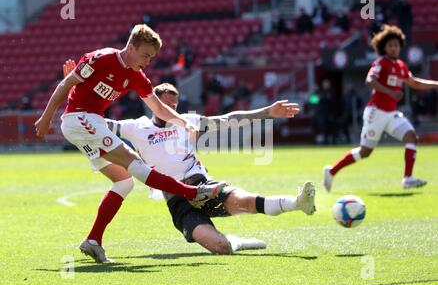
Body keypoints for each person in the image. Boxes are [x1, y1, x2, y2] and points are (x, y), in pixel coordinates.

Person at [34, 24, 225, 263]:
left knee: (124, 182)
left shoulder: (136, 75)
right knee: (134, 162)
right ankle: (192, 192)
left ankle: (93, 240)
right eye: (145, 55)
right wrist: (46, 117)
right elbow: (66, 84)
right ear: (131, 47)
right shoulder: (101, 58)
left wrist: (182, 122)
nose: (147, 62)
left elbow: (157, 107)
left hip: (91, 123)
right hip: (80, 118)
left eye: (151, 58)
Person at [105, 82, 316, 255]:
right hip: (177, 199)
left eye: (174, 105)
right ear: (154, 104)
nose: (170, 110)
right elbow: (99, 124)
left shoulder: (188, 121)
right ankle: (235, 242)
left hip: (202, 184)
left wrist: (267, 112)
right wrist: (73, 97)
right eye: (165, 105)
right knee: (221, 248)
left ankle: (297, 203)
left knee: (245, 202)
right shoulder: (135, 127)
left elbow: (227, 119)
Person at [323, 25, 438, 192]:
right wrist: (391, 91)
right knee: (365, 152)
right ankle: (331, 171)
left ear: (400, 47)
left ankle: (408, 178)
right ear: (384, 47)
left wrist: (435, 84)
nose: (393, 48)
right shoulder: (381, 63)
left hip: (391, 114)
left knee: (411, 137)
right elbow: (369, 81)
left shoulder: (400, 65)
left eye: (396, 45)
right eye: (390, 45)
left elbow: (414, 82)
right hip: (375, 112)